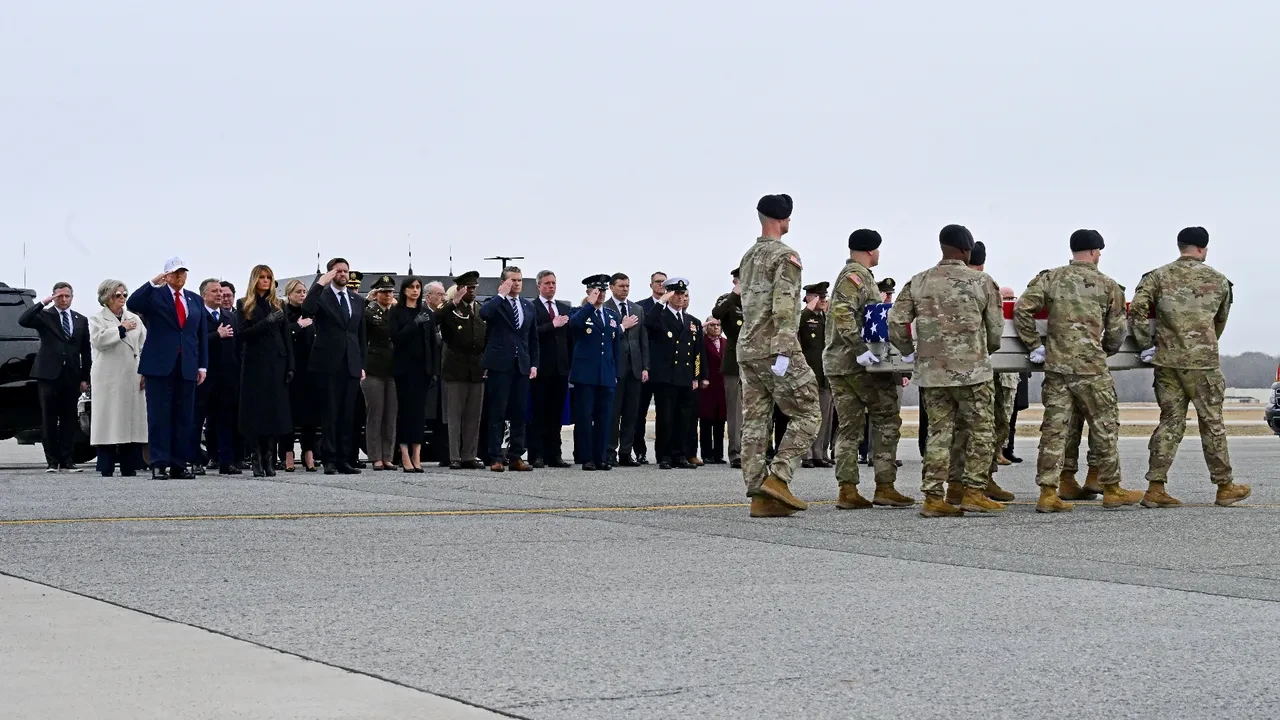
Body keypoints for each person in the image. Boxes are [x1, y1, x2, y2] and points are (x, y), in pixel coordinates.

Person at [1015, 230, 1143, 512]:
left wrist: (1035, 345)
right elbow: (1117, 331)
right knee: (1104, 427)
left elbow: (1023, 309)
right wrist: (1104, 351)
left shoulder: (1050, 278)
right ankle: (1111, 489)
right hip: (1091, 369)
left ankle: (1049, 491)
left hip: (1057, 367)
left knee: (1054, 429)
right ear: (1096, 252)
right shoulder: (1109, 285)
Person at [1130, 226, 1250, 507]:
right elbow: (1219, 322)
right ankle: (1224, 486)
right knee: (1212, 423)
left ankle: (1155, 487)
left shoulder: (1157, 276)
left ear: (1180, 245)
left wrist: (1145, 344)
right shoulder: (1219, 281)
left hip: (1167, 361)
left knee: (1170, 422)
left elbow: (1136, 310)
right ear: (1203, 248)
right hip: (1202, 364)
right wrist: (1202, 345)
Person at [888, 225, 1003, 517]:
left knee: (939, 433)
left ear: (942, 247)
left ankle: (933, 497)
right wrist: (982, 350)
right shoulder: (982, 282)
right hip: (973, 372)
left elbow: (895, 322)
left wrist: (909, 352)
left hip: (932, 373)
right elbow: (995, 332)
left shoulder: (919, 281)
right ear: (966, 251)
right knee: (981, 431)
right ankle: (974, 491)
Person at [737, 194, 819, 518]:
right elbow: (786, 306)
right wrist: (785, 352)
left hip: (748, 349)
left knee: (755, 421)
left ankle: (759, 496)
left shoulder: (748, 257)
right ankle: (779, 478)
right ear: (783, 219)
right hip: (775, 349)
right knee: (809, 411)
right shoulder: (786, 256)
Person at [825, 229, 915, 510]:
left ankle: (848, 489)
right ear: (870, 250)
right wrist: (861, 350)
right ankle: (884, 486)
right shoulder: (856, 276)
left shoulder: (856, 276)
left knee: (849, 428)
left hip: (841, 364)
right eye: (877, 249)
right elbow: (842, 312)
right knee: (887, 418)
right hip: (858, 365)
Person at [127, 258, 207, 480]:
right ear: (166, 275)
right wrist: (153, 283)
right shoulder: (154, 297)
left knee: (184, 417)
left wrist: (202, 365)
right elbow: (133, 303)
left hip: (187, 365)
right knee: (159, 415)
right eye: (175, 273)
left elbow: (199, 335)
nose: (180, 277)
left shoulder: (194, 299)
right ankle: (159, 462)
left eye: (183, 273)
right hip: (160, 365)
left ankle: (179, 464)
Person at [301, 257, 367, 475]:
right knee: (330, 413)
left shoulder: (356, 300)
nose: (343, 275)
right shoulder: (322, 297)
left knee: (347, 414)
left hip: (351, 364)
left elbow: (360, 334)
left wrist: (361, 364)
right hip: (328, 364)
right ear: (330, 274)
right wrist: (320, 283)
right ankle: (329, 459)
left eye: (346, 271)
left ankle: (343, 458)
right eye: (338, 271)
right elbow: (307, 308)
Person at [19, 281, 92, 473]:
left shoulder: (80, 320)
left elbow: (86, 350)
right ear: (53, 296)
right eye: (59, 296)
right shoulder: (44, 316)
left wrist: (85, 377)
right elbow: (23, 320)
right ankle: (52, 461)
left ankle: (68, 461)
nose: (64, 299)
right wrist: (43, 303)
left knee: (69, 419)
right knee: (49, 419)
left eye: (67, 296)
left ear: (72, 297)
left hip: (71, 376)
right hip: (49, 375)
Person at [479, 266, 539, 472]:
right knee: (497, 412)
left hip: (521, 364)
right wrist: (500, 296)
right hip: (500, 365)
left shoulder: (527, 306)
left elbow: (532, 338)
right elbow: (484, 314)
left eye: (519, 280)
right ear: (503, 282)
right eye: (512, 280)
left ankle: (516, 456)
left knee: (519, 413)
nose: (517, 283)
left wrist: (533, 363)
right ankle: (495, 456)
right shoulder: (494, 303)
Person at [236, 265, 293, 478]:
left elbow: (286, 336)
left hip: (277, 362)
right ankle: (256, 455)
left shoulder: (278, 304)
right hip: (255, 363)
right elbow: (243, 334)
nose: (266, 280)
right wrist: (265, 322)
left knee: (275, 411)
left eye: (269, 277)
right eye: (262, 277)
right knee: (255, 411)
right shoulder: (244, 304)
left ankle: (269, 455)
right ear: (254, 280)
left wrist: (290, 365)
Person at [644, 277, 706, 470]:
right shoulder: (660, 317)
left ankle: (680, 455)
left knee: (684, 418)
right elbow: (647, 322)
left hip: (685, 377)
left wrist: (698, 376)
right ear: (669, 295)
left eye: (683, 294)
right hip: (666, 377)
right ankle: (664, 455)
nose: (680, 298)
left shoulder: (691, 321)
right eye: (676, 294)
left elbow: (698, 353)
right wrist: (661, 302)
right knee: (666, 417)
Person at [87, 279, 147, 476]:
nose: (122, 298)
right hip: (108, 375)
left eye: (124, 294)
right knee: (108, 420)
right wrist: (121, 329)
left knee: (130, 420)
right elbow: (98, 341)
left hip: (131, 373)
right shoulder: (96, 319)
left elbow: (143, 345)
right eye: (117, 295)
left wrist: (145, 371)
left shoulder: (135, 319)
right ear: (106, 297)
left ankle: (130, 465)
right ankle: (106, 465)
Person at [569, 275, 622, 470]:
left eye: (603, 291)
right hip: (586, 374)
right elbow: (574, 326)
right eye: (596, 291)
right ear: (589, 292)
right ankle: (586, 457)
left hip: (606, 374)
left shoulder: (611, 316)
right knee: (584, 417)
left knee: (604, 417)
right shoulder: (579, 312)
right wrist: (589, 305)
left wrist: (615, 372)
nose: (600, 295)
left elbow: (615, 347)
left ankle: (601, 457)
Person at [435, 272, 486, 469]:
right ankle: (454, 456)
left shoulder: (480, 310)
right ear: (459, 289)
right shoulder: (450, 309)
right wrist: (452, 303)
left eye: (474, 288)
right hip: (455, 369)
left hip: (476, 369)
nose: (471, 292)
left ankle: (469, 455)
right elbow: (435, 319)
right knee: (455, 416)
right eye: (468, 288)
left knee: (474, 416)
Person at [388, 275, 438, 473]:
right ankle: (404, 453)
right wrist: (413, 324)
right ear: (404, 290)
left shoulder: (427, 312)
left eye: (418, 287)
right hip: (404, 370)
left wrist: (433, 370)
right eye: (411, 287)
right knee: (405, 412)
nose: (415, 291)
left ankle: (417, 453)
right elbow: (396, 338)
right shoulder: (397, 312)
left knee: (419, 414)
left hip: (422, 370)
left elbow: (432, 344)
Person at [195, 277, 241, 475]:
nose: (220, 295)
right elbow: (193, 343)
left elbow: (238, 346)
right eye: (214, 291)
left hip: (227, 376)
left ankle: (226, 461)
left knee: (226, 420)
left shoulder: (230, 317)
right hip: (204, 376)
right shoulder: (196, 316)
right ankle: (195, 461)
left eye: (221, 291)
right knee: (198, 420)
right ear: (204, 295)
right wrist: (216, 335)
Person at [604, 273, 648, 466]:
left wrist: (645, 366)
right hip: (615, 368)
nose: (625, 289)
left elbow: (642, 339)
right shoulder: (605, 308)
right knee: (613, 413)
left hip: (635, 368)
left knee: (632, 413)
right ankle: (610, 451)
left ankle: (625, 452)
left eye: (627, 286)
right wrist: (622, 326)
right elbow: (605, 337)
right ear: (612, 287)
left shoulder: (637, 309)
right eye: (621, 286)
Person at [530, 270, 573, 468]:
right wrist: (551, 325)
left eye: (554, 283)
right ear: (538, 286)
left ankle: (554, 454)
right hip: (540, 369)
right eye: (547, 283)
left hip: (560, 369)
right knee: (539, 412)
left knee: (556, 414)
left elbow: (570, 340)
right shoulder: (532, 307)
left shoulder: (564, 308)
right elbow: (531, 334)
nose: (551, 286)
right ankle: (536, 454)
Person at [280, 279, 319, 472]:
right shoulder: (283, 314)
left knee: (309, 415)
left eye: (304, 291)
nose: (302, 295)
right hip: (290, 369)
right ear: (289, 294)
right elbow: (281, 335)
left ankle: (309, 451)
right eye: (298, 292)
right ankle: (287, 452)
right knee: (290, 414)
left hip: (310, 370)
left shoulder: (310, 313)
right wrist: (298, 326)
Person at [361, 275, 398, 471]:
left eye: (390, 292)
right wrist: (367, 301)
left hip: (392, 369)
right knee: (376, 414)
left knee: (391, 415)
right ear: (376, 294)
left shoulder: (396, 313)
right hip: (373, 368)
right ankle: (375, 456)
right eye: (384, 292)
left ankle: (388, 456)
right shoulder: (369, 312)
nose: (388, 295)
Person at [632, 270, 668, 464]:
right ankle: (639, 450)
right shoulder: (641, 307)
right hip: (645, 367)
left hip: (665, 369)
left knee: (664, 413)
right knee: (640, 412)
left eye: (664, 282)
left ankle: (663, 453)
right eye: (658, 282)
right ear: (651, 285)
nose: (661, 285)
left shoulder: (674, 306)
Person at [711, 268, 745, 468]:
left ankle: (755, 451)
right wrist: (735, 294)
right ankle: (736, 452)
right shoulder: (727, 299)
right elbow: (717, 313)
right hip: (735, 362)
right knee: (735, 411)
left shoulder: (759, 299)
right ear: (735, 281)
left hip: (757, 362)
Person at [799, 281, 832, 468]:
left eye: (824, 297)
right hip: (808, 374)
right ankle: (807, 455)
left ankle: (820, 452)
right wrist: (808, 310)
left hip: (825, 376)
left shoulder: (825, 319)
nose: (823, 300)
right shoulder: (803, 317)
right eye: (819, 297)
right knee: (808, 416)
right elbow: (795, 328)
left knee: (824, 417)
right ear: (810, 298)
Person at [699, 316, 727, 463]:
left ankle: (719, 454)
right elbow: (698, 361)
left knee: (720, 421)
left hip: (722, 387)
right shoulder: (701, 342)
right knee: (706, 421)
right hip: (707, 385)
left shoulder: (725, 342)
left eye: (718, 325)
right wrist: (701, 377)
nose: (716, 327)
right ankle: (706, 454)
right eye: (712, 325)